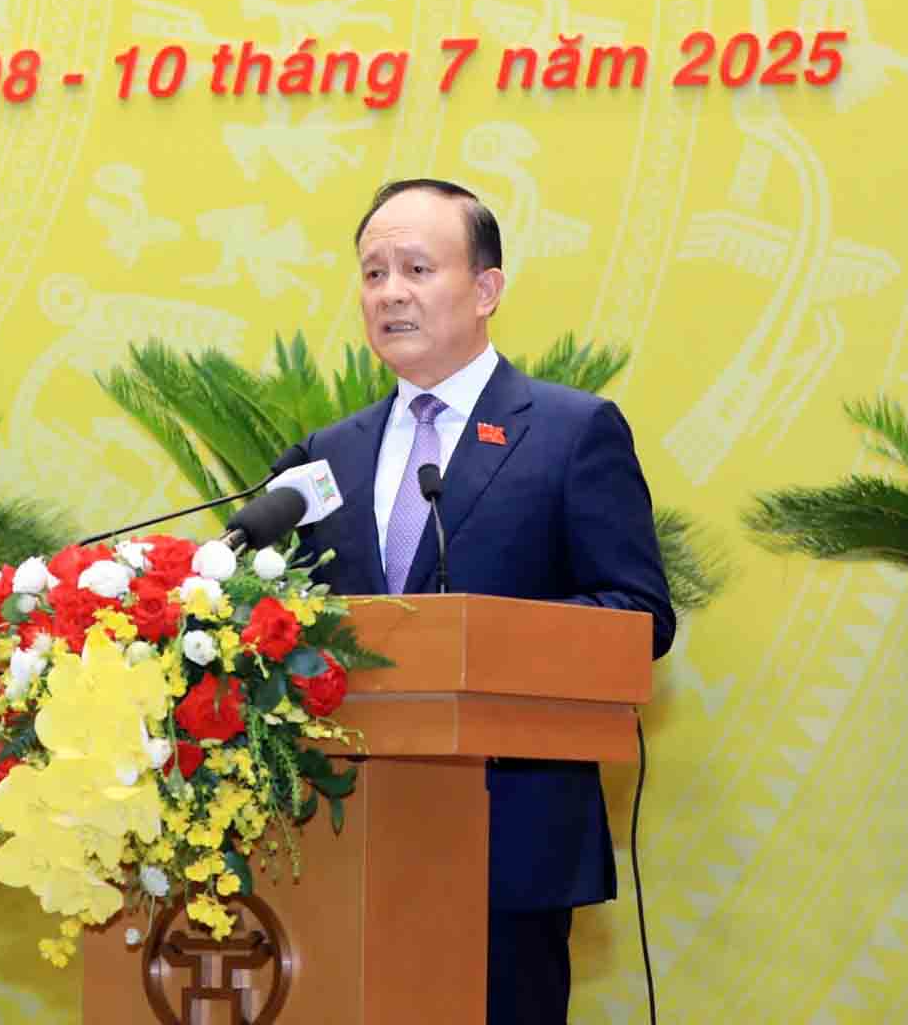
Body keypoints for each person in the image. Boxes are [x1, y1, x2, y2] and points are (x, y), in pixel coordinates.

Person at [269, 179, 676, 1025]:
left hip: (509, 842)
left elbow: (640, 614)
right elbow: (286, 619)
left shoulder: (571, 432)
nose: (391, 293)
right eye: (374, 273)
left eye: (417, 267)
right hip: (346, 838)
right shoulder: (326, 456)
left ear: (486, 289)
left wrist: (479, 644)